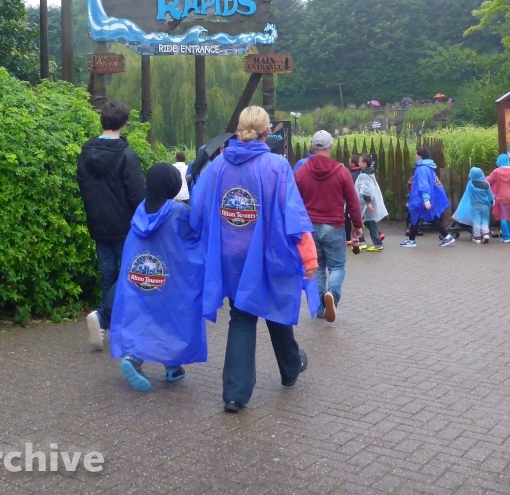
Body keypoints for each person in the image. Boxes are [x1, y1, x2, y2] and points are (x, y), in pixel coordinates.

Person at [190, 106, 318, 414]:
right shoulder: (276, 165)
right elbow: (292, 213)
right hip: (269, 252)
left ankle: (235, 393)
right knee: (274, 305)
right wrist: (308, 255)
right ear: (267, 131)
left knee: (242, 315)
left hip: (230, 255)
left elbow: (199, 207)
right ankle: (290, 367)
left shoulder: (219, 164)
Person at [110, 163, 206, 391]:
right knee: (172, 317)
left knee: (143, 316)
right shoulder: (178, 212)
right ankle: (171, 366)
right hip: (172, 278)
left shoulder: (141, 210)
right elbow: (194, 240)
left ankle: (137, 359)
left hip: (143, 278)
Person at [77, 100, 147, 350]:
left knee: (108, 276)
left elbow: (83, 185)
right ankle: (103, 317)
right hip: (124, 225)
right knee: (130, 273)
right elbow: (137, 195)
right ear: (124, 123)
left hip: (97, 223)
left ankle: (106, 326)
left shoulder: (85, 153)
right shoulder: (127, 155)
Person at [295, 131, 363, 322]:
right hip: (334, 225)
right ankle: (332, 294)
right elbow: (352, 201)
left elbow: (293, 202)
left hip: (309, 228)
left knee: (316, 269)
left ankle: (320, 309)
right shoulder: (342, 171)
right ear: (331, 147)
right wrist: (357, 225)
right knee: (337, 266)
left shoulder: (301, 172)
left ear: (312, 146)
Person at [400, 147, 451, 247]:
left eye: (416, 154)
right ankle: (446, 236)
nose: (415, 156)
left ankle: (411, 240)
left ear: (420, 156)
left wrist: (426, 200)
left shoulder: (421, 169)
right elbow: (435, 181)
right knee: (428, 217)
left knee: (415, 216)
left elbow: (424, 185)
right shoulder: (429, 168)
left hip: (419, 198)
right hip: (424, 197)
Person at [353, 153, 387, 252]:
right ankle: (370, 242)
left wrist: (367, 203)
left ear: (365, 163)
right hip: (366, 203)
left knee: (368, 222)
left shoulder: (364, 175)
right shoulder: (369, 173)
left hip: (365, 204)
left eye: (360, 161)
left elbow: (366, 190)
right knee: (367, 222)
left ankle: (376, 243)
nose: (358, 163)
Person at [453, 168, 495, 243]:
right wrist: (492, 202)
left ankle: (477, 237)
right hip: (485, 205)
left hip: (475, 205)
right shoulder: (486, 183)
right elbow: (490, 195)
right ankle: (486, 234)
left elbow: (467, 194)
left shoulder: (470, 184)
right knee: (485, 219)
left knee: (476, 221)